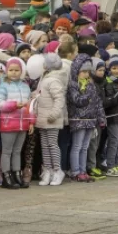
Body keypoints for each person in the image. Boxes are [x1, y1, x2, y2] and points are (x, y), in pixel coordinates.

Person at [0, 57, 33, 190]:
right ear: (7, 71)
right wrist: (14, 105)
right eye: (11, 70)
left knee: (17, 151)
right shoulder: (3, 86)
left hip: (23, 124)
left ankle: (17, 174)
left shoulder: (25, 85)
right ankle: (6, 176)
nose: (14, 72)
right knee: (7, 151)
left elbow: (30, 106)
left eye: (17, 70)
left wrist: (31, 121)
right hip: (8, 123)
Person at [66, 55, 105, 182]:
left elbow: (97, 102)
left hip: (91, 120)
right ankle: (75, 171)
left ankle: (83, 171)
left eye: (88, 72)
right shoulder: (73, 85)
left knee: (85, 146)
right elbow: (77, 101)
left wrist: (101, 117)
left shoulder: (91, 85)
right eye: (83, 71)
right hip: (78, 120)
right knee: (77, 146)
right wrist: (87, 96)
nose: (85, 74)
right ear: (76, 71)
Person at [36, 52, 68, 186]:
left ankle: (57, 170)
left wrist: (54, 114)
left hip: (51, 119)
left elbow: (59, 99)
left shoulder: (53, 80)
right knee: (45, 145)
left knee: (52, 144)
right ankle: (48, 170)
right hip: (43, 118)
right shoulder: (45, 78)